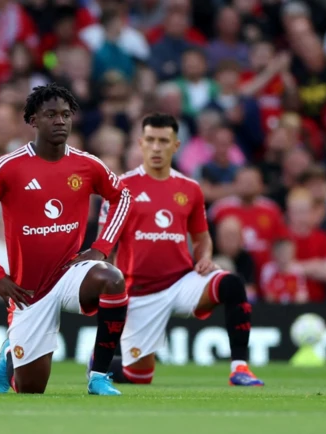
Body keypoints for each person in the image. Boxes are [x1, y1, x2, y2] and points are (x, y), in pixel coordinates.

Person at [0, 83, 133, 395]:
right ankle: (9, 355)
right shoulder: (9, 167)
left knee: (113, 279)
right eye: (51, 115)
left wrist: (102, 248)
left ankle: (99, 375)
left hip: (69, 274)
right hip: (28, 292)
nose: (60, 121)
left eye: (65, 114)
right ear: (33, 121)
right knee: (31, 390)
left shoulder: (87, 165)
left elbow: (123, 197)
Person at [95, 113, 263, 387]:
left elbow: (201, 238)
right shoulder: (121, 188)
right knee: (139, 377)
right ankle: (100, 363)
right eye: (150, 140)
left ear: (176, 145)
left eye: (164, 141)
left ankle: (240, 368)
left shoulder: (190, 189)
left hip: (181, 282)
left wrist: (205, 258)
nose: (156, 147)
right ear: (141, 143)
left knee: (231, 283)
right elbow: (106, 242)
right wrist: (111, 287)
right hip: (138, 292)